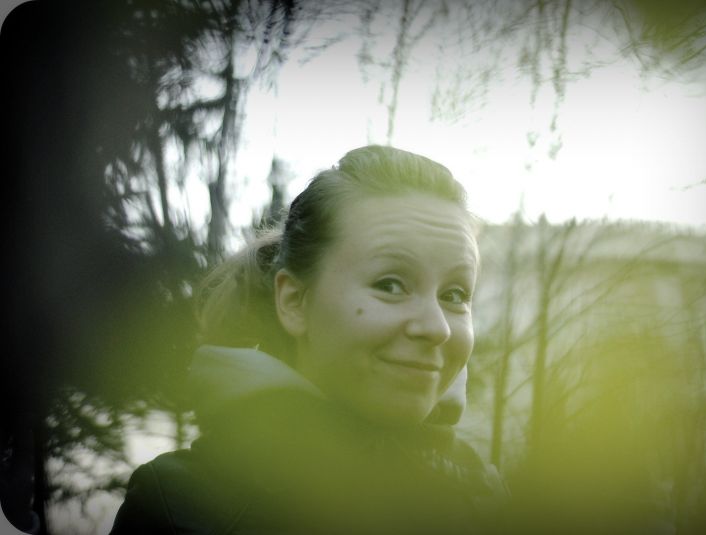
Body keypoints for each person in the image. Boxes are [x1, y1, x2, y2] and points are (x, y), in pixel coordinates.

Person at [110, 145, 506, 535]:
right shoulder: (177, 508)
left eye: (455, 294)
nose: (437, 328)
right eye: (390, 284)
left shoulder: (482, 497)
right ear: (294, 302)